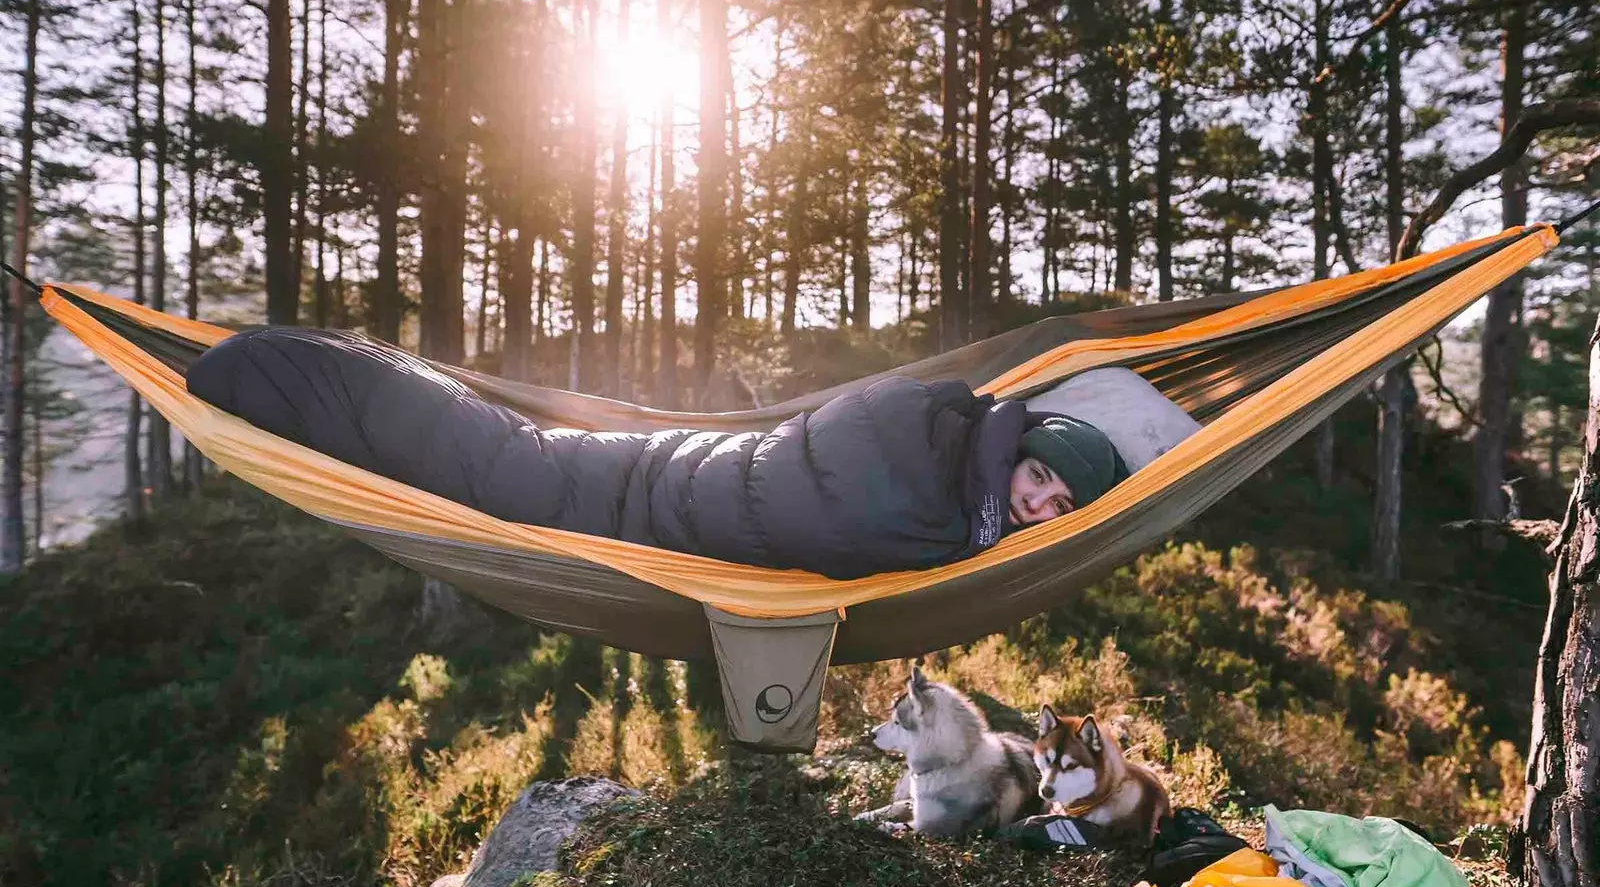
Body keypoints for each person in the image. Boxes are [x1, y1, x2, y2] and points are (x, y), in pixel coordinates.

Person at [186, 326, 1133, 580]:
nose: (1038, 506)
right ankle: (276, 376)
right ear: (1020, 450)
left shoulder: (946, 442)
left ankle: (303, 375)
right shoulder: (937, 500)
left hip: (668, 474)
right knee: (489, 466)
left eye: (1056, 509)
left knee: (496, 451)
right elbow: (840, 506)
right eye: (1041, 477)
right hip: (646, 492)